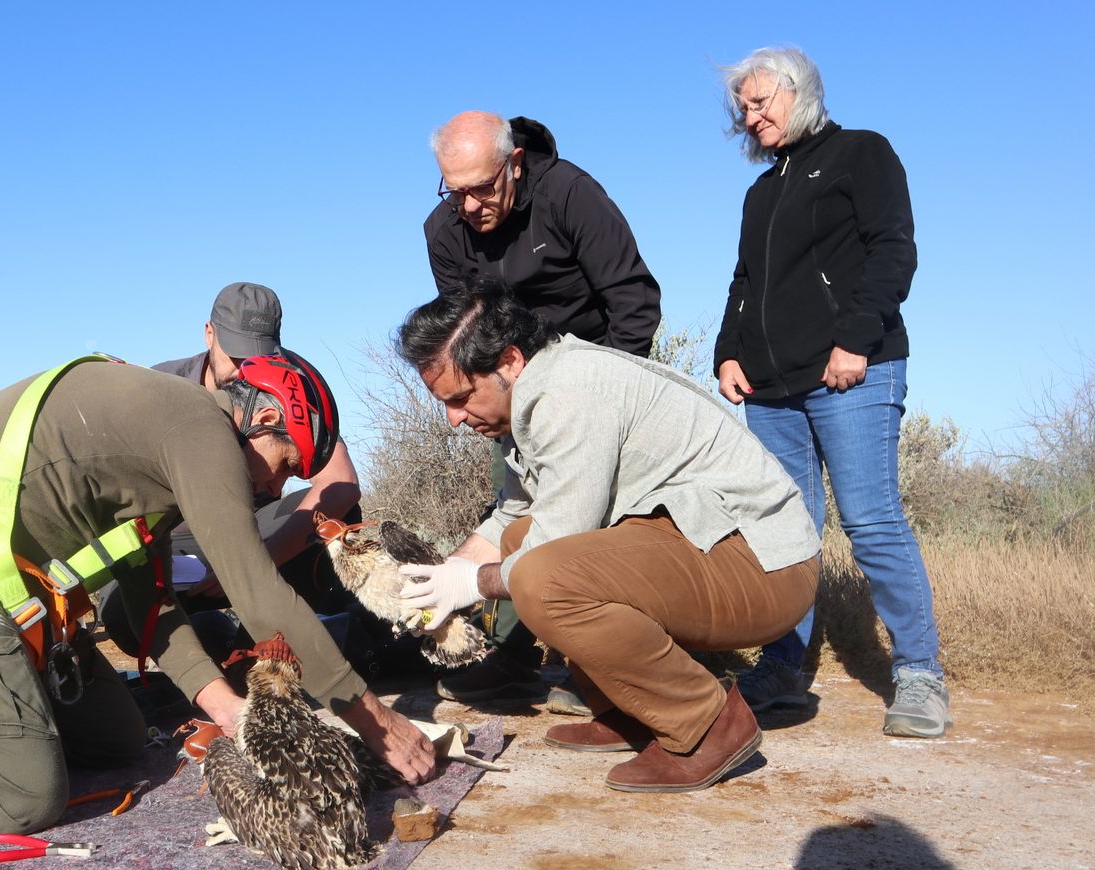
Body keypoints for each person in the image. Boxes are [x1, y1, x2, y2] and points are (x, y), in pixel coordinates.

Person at [0, 353, 437, 832]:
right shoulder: (198, 427)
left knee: (117, 738)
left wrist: (226, 709)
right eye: (284, 464)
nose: (273, 487)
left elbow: (146, 604)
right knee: (20, 791)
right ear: (258, 419)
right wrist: (375, 720)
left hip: (8, 588)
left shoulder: (166, 447)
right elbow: (256, 589)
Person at [393, 281, 820, 792]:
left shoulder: (571, 392)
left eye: (461, 398)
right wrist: (441, 577)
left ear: (509, 361)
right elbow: (513, 518)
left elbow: (557, 540)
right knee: (523, 545)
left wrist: (472, 585)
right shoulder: (536, 396)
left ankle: (706, 724)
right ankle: (632, 712)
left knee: (540, 572)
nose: (454, 419)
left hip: (763, 566)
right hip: (708, 545)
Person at [713, 47, 949, 738]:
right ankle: (782, 670)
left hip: (852, 372)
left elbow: (892, 249)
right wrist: (728, 352)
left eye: (761, 104)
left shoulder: (861, 153)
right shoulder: (761, 192)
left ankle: (919, 674)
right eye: (743, 111)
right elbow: (745, 283)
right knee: (785, 532)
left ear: (800, 91)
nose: (751, 119)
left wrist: (856, 339)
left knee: (872, 521)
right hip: (771, 389)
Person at [424, 110, 663, 705]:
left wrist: (614, 393)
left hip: (598, 376)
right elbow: (464, 334)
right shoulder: (443, 230)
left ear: (514, 163)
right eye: (456, 192)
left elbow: (632, 296)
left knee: (602, 518)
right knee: (514, 512)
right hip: (514, 395)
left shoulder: (570, 194)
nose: (471, 205)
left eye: (483, 188)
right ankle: (512, 654)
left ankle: (612, 669)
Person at [146, 284, 382, 660]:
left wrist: (258, 564)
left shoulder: (292, 382)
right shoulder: (165, 388)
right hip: (183, 541)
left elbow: (341, 484)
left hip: (257, 535)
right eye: (238, 356)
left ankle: (262, 649)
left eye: (262, 355)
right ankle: (206, 646)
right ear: (210, 334)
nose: (248, 371)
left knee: (333, 518)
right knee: (126, 610)